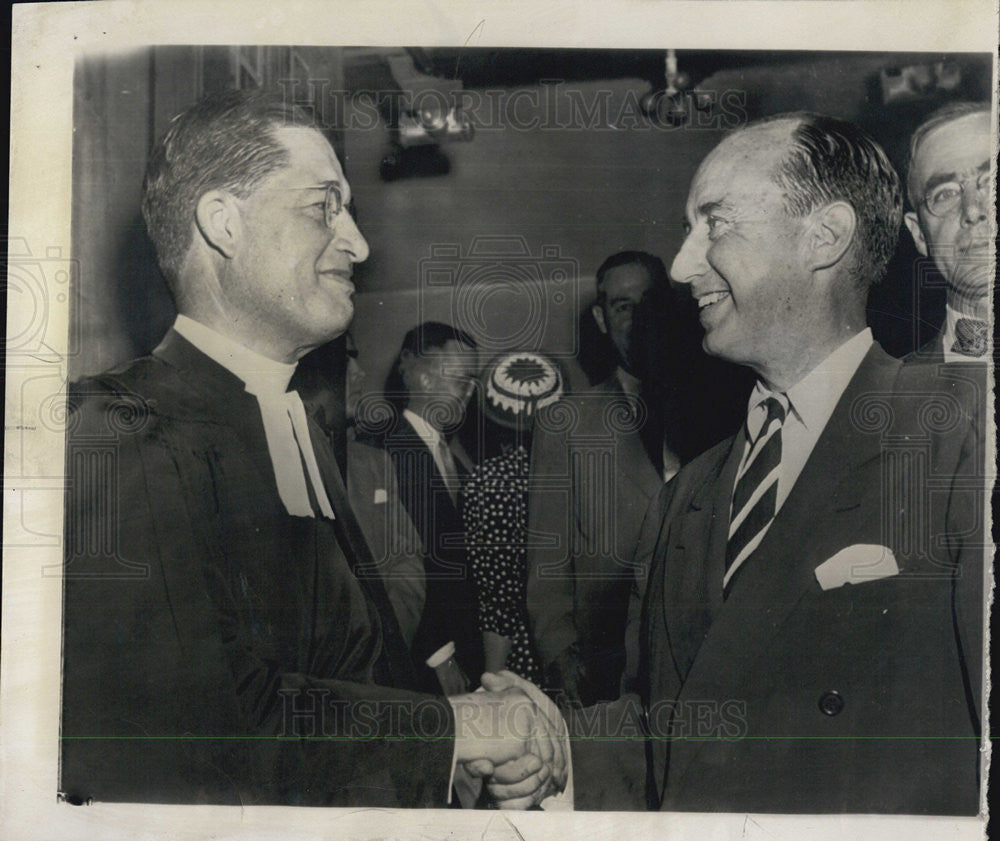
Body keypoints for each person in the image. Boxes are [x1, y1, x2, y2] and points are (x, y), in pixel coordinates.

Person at [60, 89, 565, 809]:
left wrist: (458, 753)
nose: (358, 242)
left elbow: (358, 675)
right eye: (323, 205)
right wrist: (450, 726)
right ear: (223, 224)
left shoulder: (297, 426)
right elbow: (187, 739)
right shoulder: (119, 430)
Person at [574, 113, 985, 814]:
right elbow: (668, 737)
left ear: (823, 236)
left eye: (716, 224)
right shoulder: (691, 491)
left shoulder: (963, 428)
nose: (680, 267)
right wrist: (540, 747)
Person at [526, 250, 680, 707]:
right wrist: (561, 654)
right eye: (622, 305)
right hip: (610, 671)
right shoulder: (564, 423)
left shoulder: (719, 406)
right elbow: (547, 557)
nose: (638, 317)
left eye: (650, 302)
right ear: (601, 317)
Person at [379, 321, 484, 694]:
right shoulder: (385, 453)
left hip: (465, 649)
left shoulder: (456, 456)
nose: (470, 393)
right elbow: (401, 569)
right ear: (422, 378)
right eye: (462, 380)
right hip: (426, 659)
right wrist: (439, 654)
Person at [462, 351, 566, 686]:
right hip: (572, 655)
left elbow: (498, 601)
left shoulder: (491, 479)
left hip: (520, 663)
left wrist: (493, 680)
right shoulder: (583, 472)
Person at [902, 101, 992, 362]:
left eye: (992, 179)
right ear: (919, 234)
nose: (973, 210)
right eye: (946, 193)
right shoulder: (893, 396)